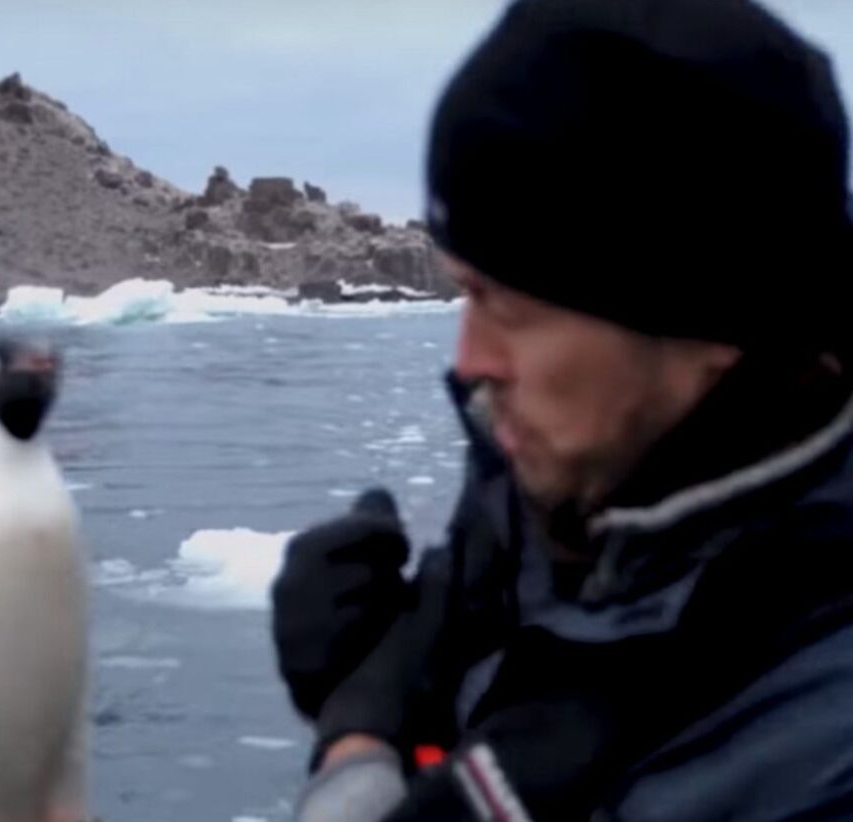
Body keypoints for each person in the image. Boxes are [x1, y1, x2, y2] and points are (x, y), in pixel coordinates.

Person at [270, 0, 853, 819]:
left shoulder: (821, 755)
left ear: (709, 316)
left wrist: (354, 765)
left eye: (506, 302)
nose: (469, 362)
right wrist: (375, 705)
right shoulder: (557, 494)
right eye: (462, 291)